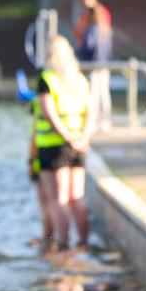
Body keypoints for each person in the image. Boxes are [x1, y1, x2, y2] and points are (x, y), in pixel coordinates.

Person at [35, 36, 95, 254]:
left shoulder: (47, 79)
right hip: (79, 145)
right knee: (76, 198)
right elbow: (91, 112)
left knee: (57, 199)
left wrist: (68, 138)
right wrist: (83, 138)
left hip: (54, 145)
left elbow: (49, 114)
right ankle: (84, 242)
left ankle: (62, 244)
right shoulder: (80, 79)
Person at [73, 0, 113, 132]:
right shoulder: (101, 25)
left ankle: (97, 120)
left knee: (94, 92)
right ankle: (104, 120)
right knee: (102, 91)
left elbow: (87, 43)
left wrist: (79, 54)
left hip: (93, 61)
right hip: (103, 61)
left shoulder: (94, 21)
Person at [28, 96, 55, 250]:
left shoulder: (38, 103)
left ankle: (49, 239)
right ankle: (61, 241)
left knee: (47, 203)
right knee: (63, 200)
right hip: (71, 150)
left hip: (44, 157)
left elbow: (34, 136)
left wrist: (31, 162)